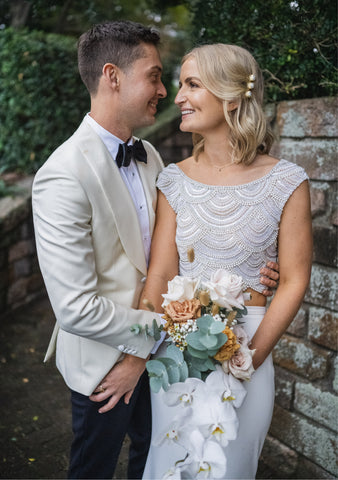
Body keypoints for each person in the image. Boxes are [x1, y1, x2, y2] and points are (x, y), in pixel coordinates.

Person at [32, 21, 279, 479]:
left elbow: (179, 250)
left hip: (169, 359)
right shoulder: (62, 175)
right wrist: (153, 342)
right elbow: (75, 308)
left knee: (161, 460)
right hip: (105, 365)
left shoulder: (152, 156)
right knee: (93, 467)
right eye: (154, 76)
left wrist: (252, 265)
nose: (164, 91)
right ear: (112, 76)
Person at [139, 43, 312, 479]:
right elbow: (161, 272)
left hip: (251, 343)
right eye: (180, 84)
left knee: (230, 468)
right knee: (170, 464)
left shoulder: (287, 180)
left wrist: (248, 358)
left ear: (232, 97)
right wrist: (144, 345)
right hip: (178, 346)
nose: (177, 96)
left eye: (192, 84)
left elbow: (293, 279)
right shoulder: (173, 180)